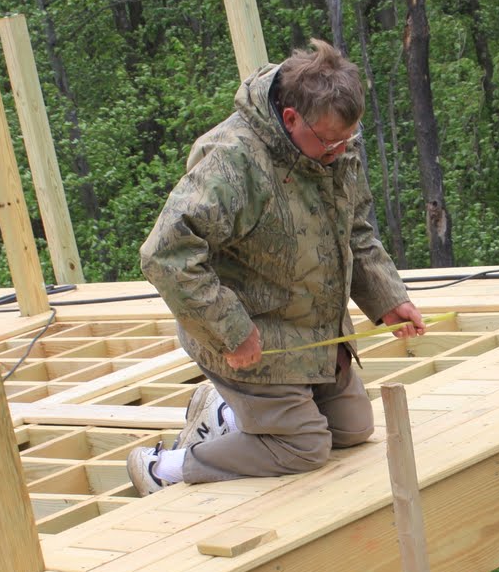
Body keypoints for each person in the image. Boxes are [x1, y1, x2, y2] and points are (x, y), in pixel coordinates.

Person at [128, 39, 424, 494]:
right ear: (290, 118)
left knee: (351, 430)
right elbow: (165, 253)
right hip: (251, 341)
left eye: (348, 140)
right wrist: (230, 328)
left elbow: (357, 230)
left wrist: (389, 299)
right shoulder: (232, 161)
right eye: (329, 141)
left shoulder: (335, 147)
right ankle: (163, 467)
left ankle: (224, 414)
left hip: (317, 334)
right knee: (304, 448)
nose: (339, 152)